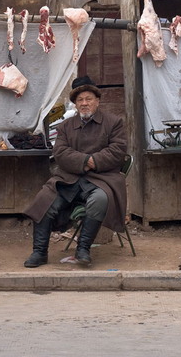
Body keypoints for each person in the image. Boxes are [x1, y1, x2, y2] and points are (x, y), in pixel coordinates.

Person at [23, 76, 128, 268]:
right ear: (75, 104)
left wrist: (93, 162)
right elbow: (60, 152)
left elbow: (118, 151)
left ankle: (83, 249)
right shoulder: (65, 126)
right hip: (69, 178)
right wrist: (84, 161)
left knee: (100, 199)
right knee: (43, 199)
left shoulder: (114, 123)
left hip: (102, 178)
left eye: (89, 99)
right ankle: (39, 252)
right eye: (80, 100)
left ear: (97, 101)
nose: (84, 103)